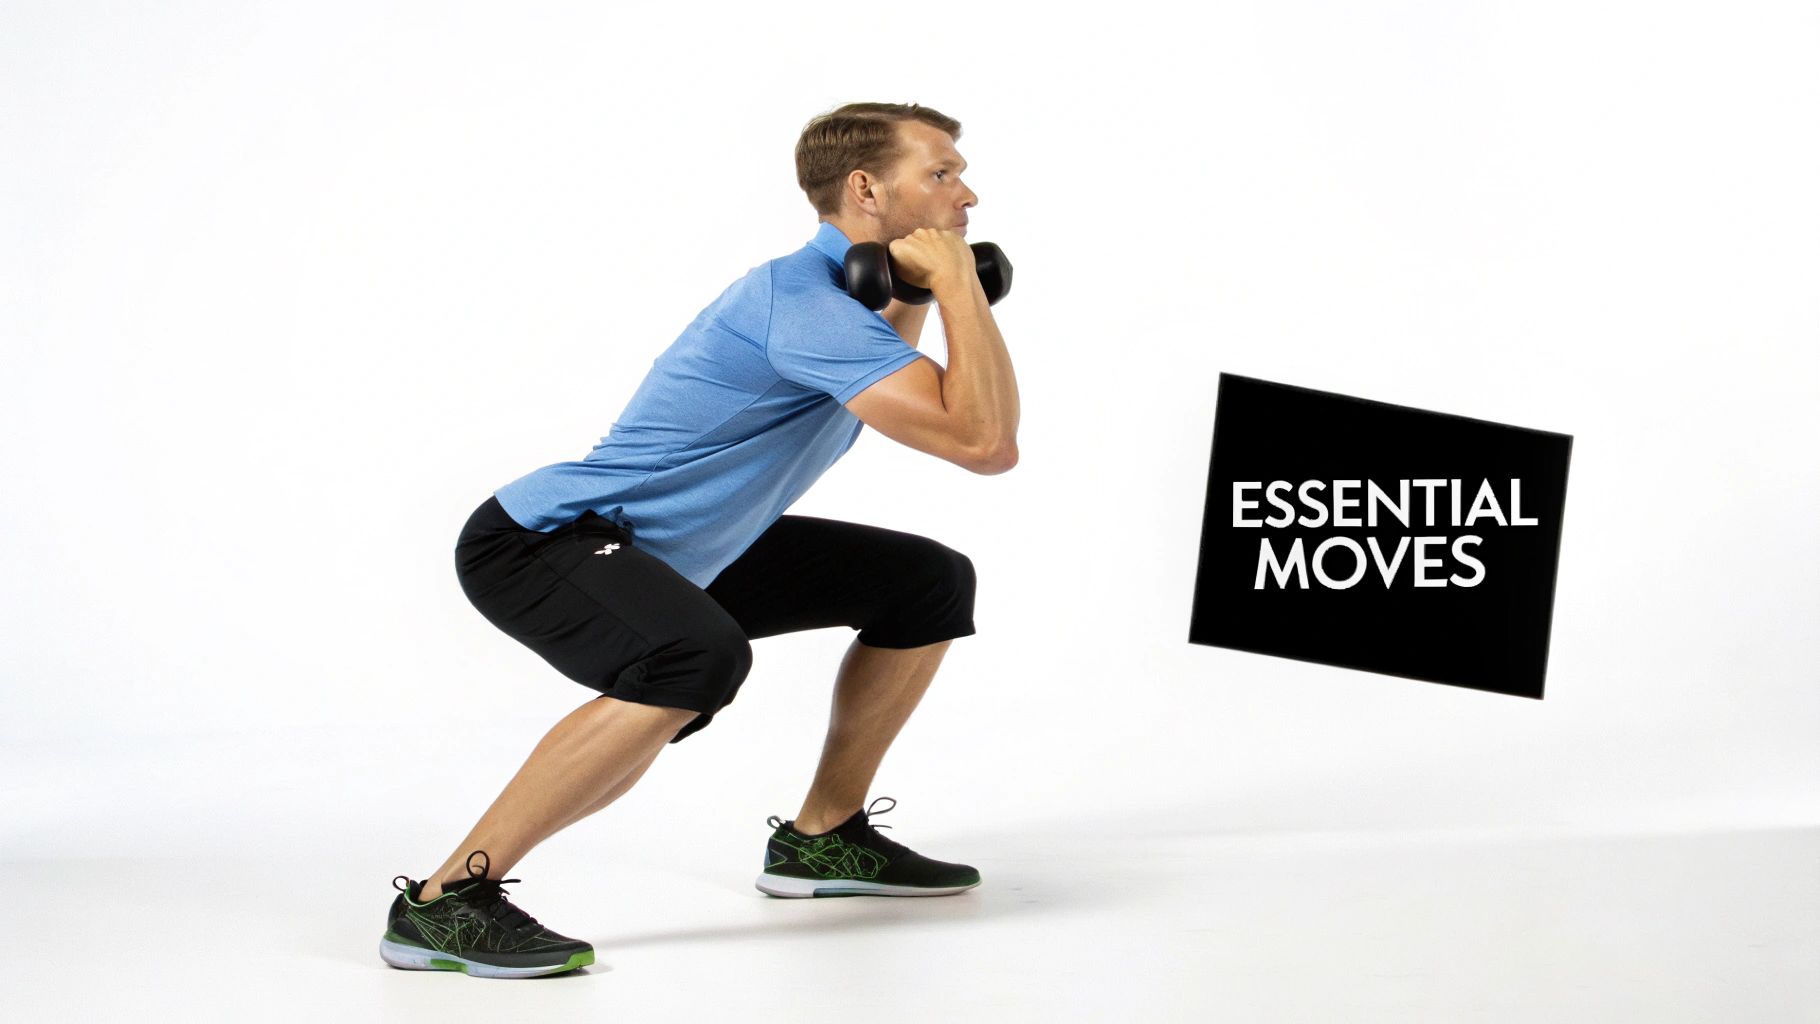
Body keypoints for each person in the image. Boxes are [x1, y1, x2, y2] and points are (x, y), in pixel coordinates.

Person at [379, 101, 1021, 979]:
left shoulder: (852, 296)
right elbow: (982, 443)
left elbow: (928, 403)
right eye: (942, 173)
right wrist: (954, 285)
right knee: (692, 657)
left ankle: (823, 839)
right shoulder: (797, 304)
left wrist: (912, 286)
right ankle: (446, 902)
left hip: (690, 544)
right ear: (866, 189)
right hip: (547, 539)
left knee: (927, 582)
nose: (968, 193)